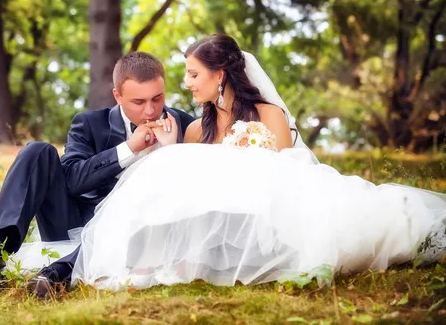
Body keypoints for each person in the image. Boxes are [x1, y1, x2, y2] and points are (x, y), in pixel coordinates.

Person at [27, 34, 446, 294]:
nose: (186, 84)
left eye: (193, 74)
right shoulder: (193, 131)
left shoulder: (269, 117)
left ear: (221, 75)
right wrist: (170, 149)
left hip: (275, 214)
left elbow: (293, 173)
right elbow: (183, 189)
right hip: (218, 226)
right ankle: (98, 263)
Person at [0, 51, 195, 289]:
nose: (150, 111)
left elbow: (192, 191)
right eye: (138, 102)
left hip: (138, 232)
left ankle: (58, 274)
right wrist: (129, 148)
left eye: (157, 98)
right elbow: (71, 180)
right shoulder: (89, 124)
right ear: (118, 96)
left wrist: (169, 152)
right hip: (74, 222)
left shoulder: (185, 125)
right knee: (36, 151)